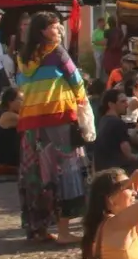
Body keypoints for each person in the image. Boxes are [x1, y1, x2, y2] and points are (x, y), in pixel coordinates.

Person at [15, 12, 89, 245]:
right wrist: (82, 106)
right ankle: (64, 231)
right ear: (42, 30)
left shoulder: (24, 56)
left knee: (36, 175)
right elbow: (77, 81)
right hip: (58, 119)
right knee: (64, 172)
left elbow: (21, 85)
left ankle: (38, 228)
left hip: (31, 122)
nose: (59, 31)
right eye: (55, 27)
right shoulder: (57, 52)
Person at [94, 88, 138, 172]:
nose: (127, 105)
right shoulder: (117, 123)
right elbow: (128, 154)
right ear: (111, 104)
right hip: (116, 172)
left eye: (126, 101)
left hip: (102, 170)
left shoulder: (103, 120)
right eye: (123, 102)